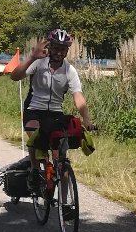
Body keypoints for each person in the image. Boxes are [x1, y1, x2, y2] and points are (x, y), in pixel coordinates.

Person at [9, 28, 95, 196]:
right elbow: (14, 76)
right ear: (50, 47)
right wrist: (32, 56)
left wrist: (87, 119)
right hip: (33, 110)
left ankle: (65, 203)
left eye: (63, 49)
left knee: (59, 157)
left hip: (55, 113)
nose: (59, 52)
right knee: (36, 136)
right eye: (56, 48)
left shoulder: (69, 70)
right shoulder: (38, 63)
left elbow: (78, 96)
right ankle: (34, 170)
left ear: (67, 50)